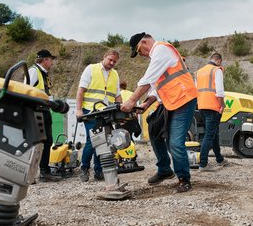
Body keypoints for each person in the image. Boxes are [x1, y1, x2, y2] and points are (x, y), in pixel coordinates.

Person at [121, 32, 198, 193]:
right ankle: (164, 169)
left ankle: (184, 179)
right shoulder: (157, 56)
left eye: (138, 51)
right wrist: (146, 104)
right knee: (154, 128)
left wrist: (131, 101)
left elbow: (147, 80)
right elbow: (156, 86)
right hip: (170, 101)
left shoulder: (161, 50)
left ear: (144, 42)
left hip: (184, 100)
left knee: (175, 143)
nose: (141, 55)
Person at [76, 49, 122, 182]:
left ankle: (99, 171)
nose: (112, 63)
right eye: (110, 60)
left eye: (115, 61)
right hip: (90, 111)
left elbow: (117, 95)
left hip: (107, 113)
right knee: (93, 141)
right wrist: (78, 110)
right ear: (104, 57)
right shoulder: (91, 69)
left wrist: (121, 110)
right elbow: (81, 91)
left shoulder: (115, 74)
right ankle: (84, 169)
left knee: (104, 141)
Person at [28, 49, 61, 181]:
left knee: (47, 141)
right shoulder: (34, 71)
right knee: (36, 142)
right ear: (45, 60)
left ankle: (44, 172)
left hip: (44, 110)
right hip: (36, 110)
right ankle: (29, 174)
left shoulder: (43, 74)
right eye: (51, 59)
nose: (52, 62)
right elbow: (25, 90)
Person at [196, 52, 228, 171]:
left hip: (202, 106)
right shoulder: (216, 70)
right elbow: (219, 91)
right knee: (209, 135)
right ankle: (203, 164)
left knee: (214, 133)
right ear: (219, 60)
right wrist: (222, 105)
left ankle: (219, 159)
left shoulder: (199, 72)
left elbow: (196, 90)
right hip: (213, 106)